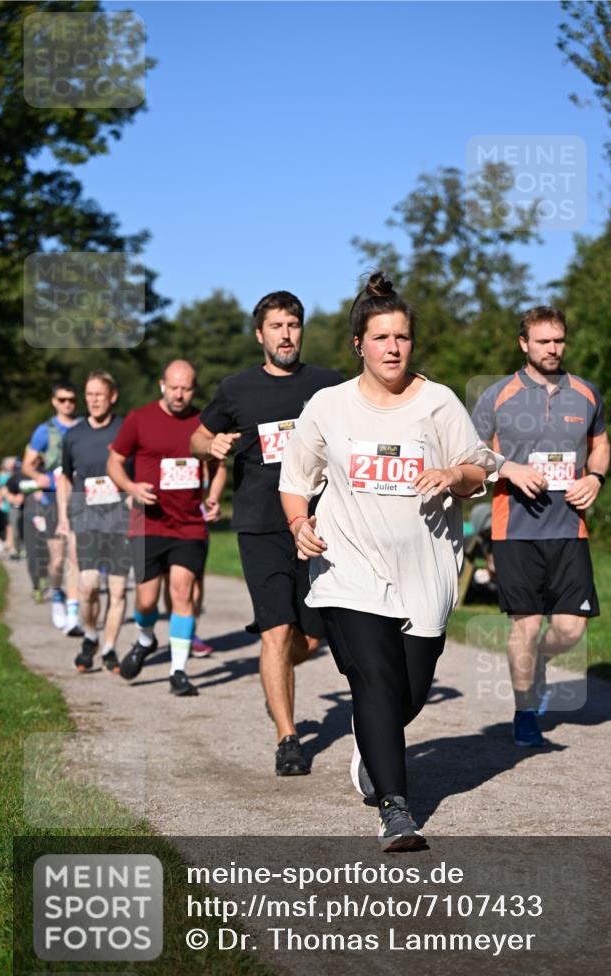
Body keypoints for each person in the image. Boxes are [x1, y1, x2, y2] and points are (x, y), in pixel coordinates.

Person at [279, 272, 500, 849]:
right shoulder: (327, 406)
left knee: (408, 693)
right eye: (381, 338)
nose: (393, 348)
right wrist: (300, 524)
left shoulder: (438, 401)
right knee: (375, 680)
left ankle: (370, 743)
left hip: (426, 570)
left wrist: (455, 474)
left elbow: (478, 470)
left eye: (402, 337)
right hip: (348, 567)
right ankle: (396, 810)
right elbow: (296, 482)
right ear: (359, 344)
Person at [190, 290, 343, 776]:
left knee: (312, 640)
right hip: (260, 524)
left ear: (302, 330)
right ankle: (288, 737)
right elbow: (197, 434)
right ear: (260, 334)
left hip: (319, 524)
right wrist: (209, 443)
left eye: (293, 325)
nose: (286, 334)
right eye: (276, 326)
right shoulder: (236, 389)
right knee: (276, 630)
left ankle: (273, 682)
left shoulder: (328, 385)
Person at [471, 306, 611, 748]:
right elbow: (469, 456)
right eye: (544, 341)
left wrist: (596, 477)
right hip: (514, 529)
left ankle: (541, 664)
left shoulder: (585, 393)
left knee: (571, 629)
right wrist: (509, 469)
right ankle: (525, 710)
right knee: (527, 626)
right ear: (524, 344)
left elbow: (601, 443)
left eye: (559, 341)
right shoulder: (497, 395)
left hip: (570, 529)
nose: (553, 349)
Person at [107, 360, 223, 695]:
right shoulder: (139, 419)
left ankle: (178, 671)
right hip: (147, 523)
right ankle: (145, 639)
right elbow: (114, 461)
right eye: (174, 387)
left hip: (188, 524)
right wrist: (130, 487)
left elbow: (218, 468)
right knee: (146, 602)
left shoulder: (204, 424)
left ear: (194, 389)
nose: (180, 394)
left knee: (182, 592)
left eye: (186, 388)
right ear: (162, 385)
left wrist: (213, 497)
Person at [57, 371, 131, 673]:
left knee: (117, 590)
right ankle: (90, 636)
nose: (94, 400)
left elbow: (139, 467)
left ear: (112, 396)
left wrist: (131, 493)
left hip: (120, 519)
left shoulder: (126, 428)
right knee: (88, 585)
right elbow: (64, 476)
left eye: (100, 394)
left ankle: (110, 648)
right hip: (86, 518)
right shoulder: (74, 434)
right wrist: (63, 516)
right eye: (89, 395)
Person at [22, 382, 83, 634]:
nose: (67, 404)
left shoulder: (83, 426)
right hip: (50, 501)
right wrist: (38, 478)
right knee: (57, 561)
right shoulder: (44, 431)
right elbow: (27, 463)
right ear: (54, 402)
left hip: (78, 499)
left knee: (75, 557)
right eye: (62, 400)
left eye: (71, 399)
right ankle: (57, 594)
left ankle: (73, 611)